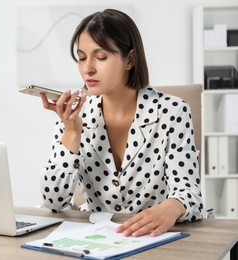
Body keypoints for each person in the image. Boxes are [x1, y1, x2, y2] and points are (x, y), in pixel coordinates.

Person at [39, 9, 206, 237]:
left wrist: (173, 206)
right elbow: (53, 201)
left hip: (156, 238)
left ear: (130, 59)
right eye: (81, 58)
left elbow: (190, 193)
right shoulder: (75, 116)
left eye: (101, 57)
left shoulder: (172, 111)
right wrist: (71, 133)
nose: (88, 68)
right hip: (98, 241)